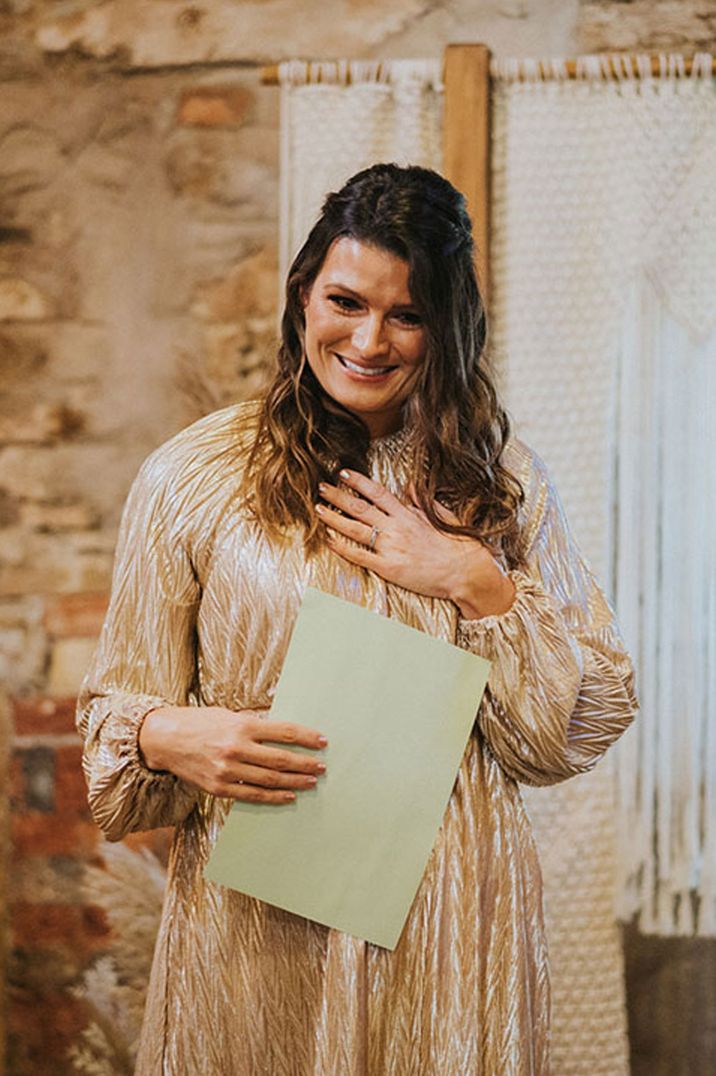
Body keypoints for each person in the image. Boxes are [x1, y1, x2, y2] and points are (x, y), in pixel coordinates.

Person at [77, 163, 637, 1075]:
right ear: (303, 295)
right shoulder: (192, 478)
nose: (370, 339)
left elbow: (577, 726)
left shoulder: (505, 481)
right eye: (346, 300)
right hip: (257, 926)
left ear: (447, 327)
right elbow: (114, 723)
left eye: (408, 315)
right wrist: (170, 734)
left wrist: (475, 579)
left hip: (452, 922)